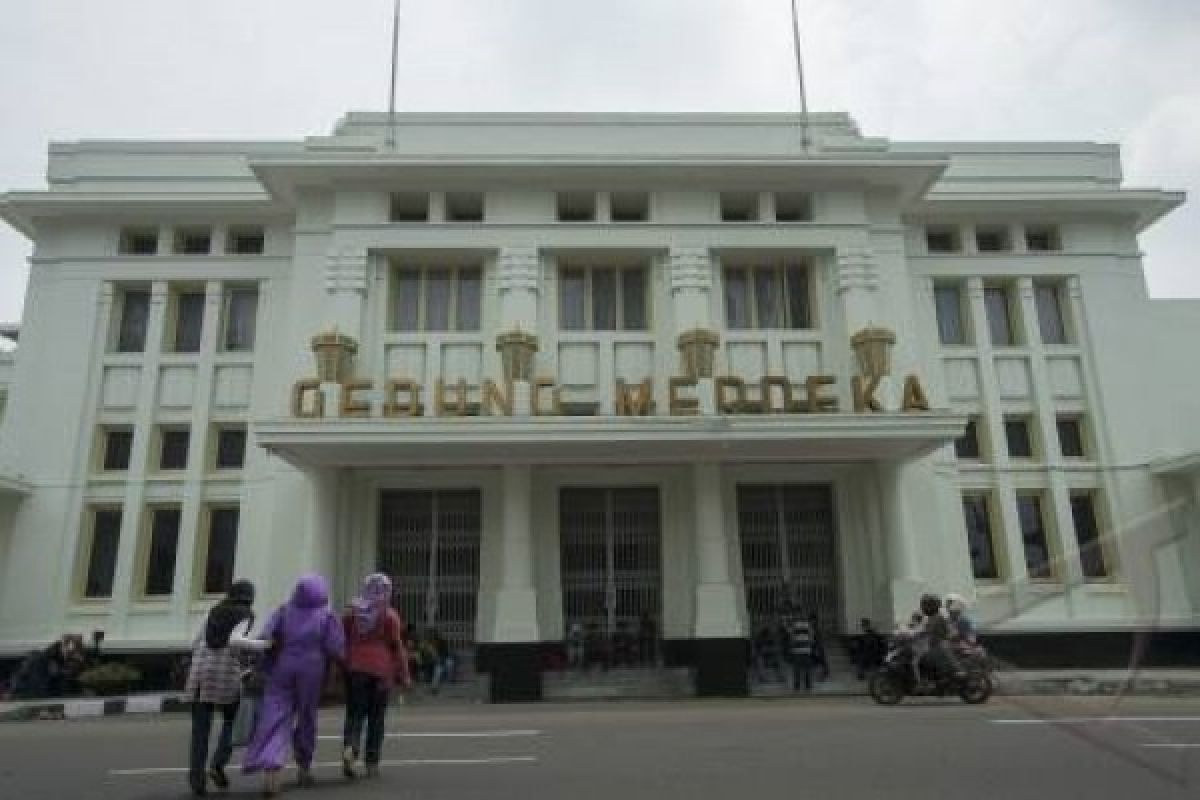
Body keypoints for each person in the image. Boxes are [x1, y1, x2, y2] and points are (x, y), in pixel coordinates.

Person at [243, 574, 345, 797]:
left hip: (283, 666)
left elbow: (265, 637)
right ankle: (304, 766)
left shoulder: (284, 611)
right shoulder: (326, 616)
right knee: (307, 716)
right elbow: (336, 648)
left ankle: (272, 766)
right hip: (312, 669)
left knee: (276, 716)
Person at [184, 580, 267, 798]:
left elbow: (193, 642)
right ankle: (218, 763)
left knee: (200, 730)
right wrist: (264, 645)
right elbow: (236, 640)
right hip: (225, 675)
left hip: (201, 675)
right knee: (232, 720)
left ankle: (197, 780)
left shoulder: (212, 611)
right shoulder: (245, 614)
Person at [341, 573, 410, 780]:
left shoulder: (351, 614)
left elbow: (341, 641)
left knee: (354, 714)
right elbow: (397, 647)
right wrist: (404, 674)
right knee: (376, 719)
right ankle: (372, 763)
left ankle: (351, 748)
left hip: (355, 669)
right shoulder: (390, 616)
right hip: (381, 672)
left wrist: (341, 666)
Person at [784, 614, 815, 691]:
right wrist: (809, 644)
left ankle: (798, 686)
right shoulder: (807, 625)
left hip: (798, 650)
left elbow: (791, 636)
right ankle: (807, 686)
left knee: (798, 669)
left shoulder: (795, 625)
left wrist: (793, 644)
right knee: (805, 669)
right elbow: (811, 636)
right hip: (805, 650)